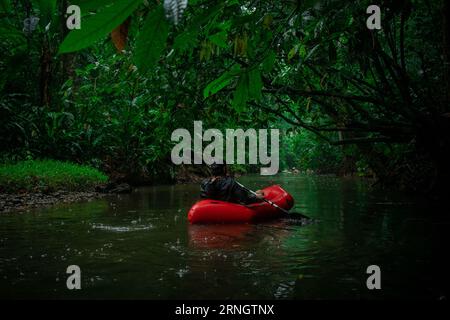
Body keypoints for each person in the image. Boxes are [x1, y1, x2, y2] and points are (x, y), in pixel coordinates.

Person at [200, 163, 265, 205]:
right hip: (226, 210)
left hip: (212, 208)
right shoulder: (231, 183)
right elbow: (244, 201)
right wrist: (256, 197)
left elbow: (204, 197)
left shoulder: (204, 182)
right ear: (224, 169)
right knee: (260, 192)